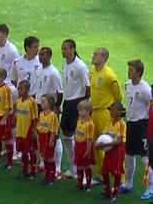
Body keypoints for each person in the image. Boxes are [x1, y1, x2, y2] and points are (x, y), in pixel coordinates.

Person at [89, 47, 122, 183]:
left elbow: (119, 96)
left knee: (110, 145)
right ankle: (102, 174)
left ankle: (120, 176)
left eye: (95, 55)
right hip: (94, 111)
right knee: (96, 143)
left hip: (104, 113)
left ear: (103, 58)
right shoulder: (91, 72)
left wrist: (113, 111)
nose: (93, 56)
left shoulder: (109, 75)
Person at [120, 59, 153, 199]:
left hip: (142, 125)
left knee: (146, 159)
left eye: (131, 70)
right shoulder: (127, 85)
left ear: (138, 72)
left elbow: (149, 106)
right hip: (131, 124)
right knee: (128, 156)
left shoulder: (145, 88)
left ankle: (150, 189)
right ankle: (128, 184)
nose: (128, 72)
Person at [60, 39, 90, 179]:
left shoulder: (80, 66)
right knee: (66, 134)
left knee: (79, 138)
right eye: (62, 48)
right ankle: (73, 167)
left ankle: (81, 170)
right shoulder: (65, 63)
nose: (63, 51)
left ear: (72, 49)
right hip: (67, 102)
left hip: (77, 102)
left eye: (65, 48)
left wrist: (83, 105)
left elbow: (88, 87)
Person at [0, 23, 20, 160]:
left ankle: (14, 148)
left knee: (10, 117)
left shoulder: (12, 50)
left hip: (8, 86)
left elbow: (17, 67)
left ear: (5, 34)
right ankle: (5, 146)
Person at [36, 47, 63, 176]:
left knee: (54, 136)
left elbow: (59, 92)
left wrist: (55, 108)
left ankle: (57, 164)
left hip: (50, 107)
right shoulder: (39, 69)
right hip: (40, 106)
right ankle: (43, 160)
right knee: (41, 133)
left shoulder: (54, 73)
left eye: (43, 54)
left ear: (50, 56)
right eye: (40, 54)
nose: (41, 57)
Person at [96, 102, 126, 202]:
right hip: (108, 150)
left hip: (117, 151)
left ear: (119, 111)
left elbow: (120, 141)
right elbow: (104, 136)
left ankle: (116, 193)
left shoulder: (121, 124)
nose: (110, 112)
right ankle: (107, 191)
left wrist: (105, 145)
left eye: (112, 110)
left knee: (116, 172)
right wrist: (99, 144)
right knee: (104, 170)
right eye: (110, 110)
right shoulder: (108, 122)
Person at [14, 80, 38, 179]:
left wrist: (33, 130)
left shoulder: (32, 102)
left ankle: (32, 171)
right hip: (20, 130)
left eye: (21, 89)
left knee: (31, 151)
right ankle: (24, 170)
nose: (19, 91)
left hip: (28, 131)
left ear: (27, 89)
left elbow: (35, 118)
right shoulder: (18, 101)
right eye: (18, 89)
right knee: (23, 151)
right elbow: (17, 113)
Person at [37, 94, 59, 185]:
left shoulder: (52, 115)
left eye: (43, 102)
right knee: (44, 157)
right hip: (42, 136)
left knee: (50, 157)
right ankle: (46, 176)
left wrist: (51, 140)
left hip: (48, 137)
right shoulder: (41, 114)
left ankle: (52, 177)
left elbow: (54, 130)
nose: (41, 103)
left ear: (49, 103)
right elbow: (39, 126)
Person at [74, 100, 95, 192]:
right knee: (79, 165)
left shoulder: (89, 124)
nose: (80, 113)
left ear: (88, 111)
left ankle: (88, 185)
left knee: (86, 166)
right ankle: (79, 184)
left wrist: (88, 150)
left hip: (85, 146)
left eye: (81, 110)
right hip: (78, 145)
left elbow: (89, 138)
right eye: (79, 111)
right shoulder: (79, 120)